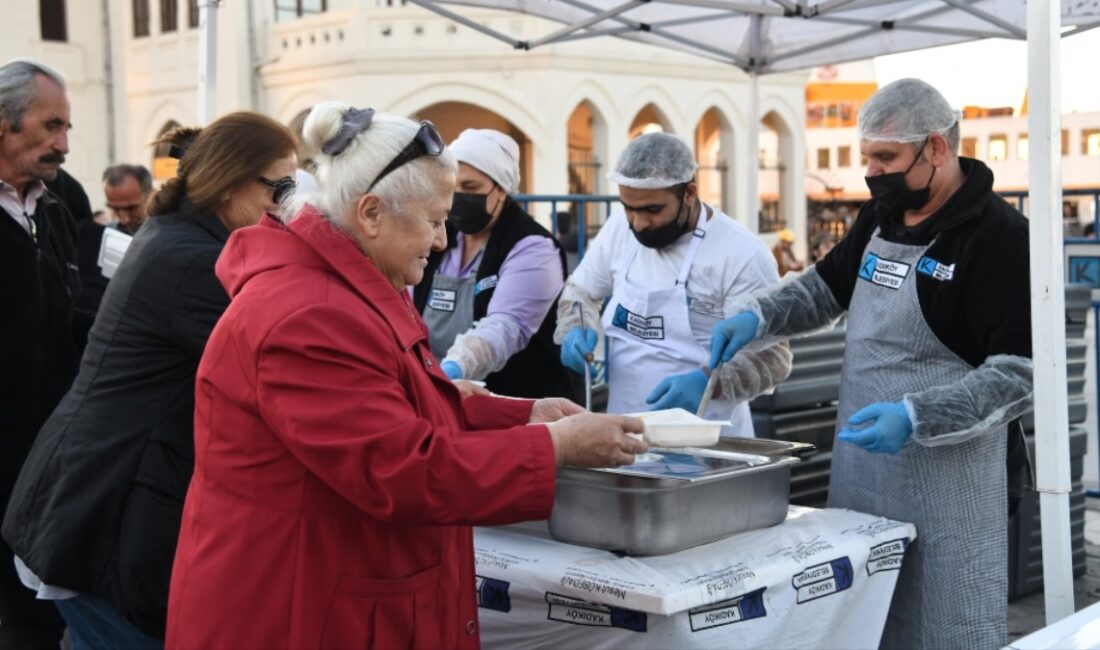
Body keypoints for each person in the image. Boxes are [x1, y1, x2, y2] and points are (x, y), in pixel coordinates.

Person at [164, 103, 646, 649]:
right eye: (434, 220)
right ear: (370, 214)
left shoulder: (353, 286)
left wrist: (523, 414)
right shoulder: (309, 316)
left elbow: (400, 401)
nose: (442, 241)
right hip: (293, 606)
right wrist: (550, 447)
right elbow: (401, 467)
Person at [709, 78, 1032, 648]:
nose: (873, 172)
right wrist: (757, 318)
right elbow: (821, 291)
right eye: (867, 158)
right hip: (864, 469)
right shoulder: (881, 215)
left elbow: (1018, 374)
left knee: (941, 627)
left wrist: (917, 417)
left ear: (935, 148)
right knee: (863, 619)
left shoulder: (999, 238)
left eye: (887, 157)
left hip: (950, 485)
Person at [2, 112, 299, 648]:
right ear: (230, 183)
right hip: (100, 512)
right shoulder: (195, 263)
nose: (288, 203)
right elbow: (286, 366)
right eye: (280, 186)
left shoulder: (182, 239)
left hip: (91, 500)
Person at [556, 132, 791, 435]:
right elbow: (580, 292)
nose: (638, 223)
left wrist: (709, 383)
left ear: (689, 193)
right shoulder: (618, 229)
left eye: (654, 210)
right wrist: (576, 325)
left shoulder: (742, 254)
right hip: (623, 434)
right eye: (629, 208)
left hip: (710, 438)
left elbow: (773, 358)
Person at [0, 58, 79, 650]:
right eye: (51, 126)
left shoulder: (55, 204)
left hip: (48, 451)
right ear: (3, 124)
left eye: (67, 127)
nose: (63, 144)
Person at [413, 128, 574, 399]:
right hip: (443, 394)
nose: (458, 197)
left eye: (471, 188)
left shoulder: (533, 247)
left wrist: (454, 367)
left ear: (500, 190)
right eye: (453, 187)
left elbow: (506, 327)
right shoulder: (441, 238)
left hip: (518, 399)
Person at [74, 164, 154, 316]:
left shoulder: (170, 236)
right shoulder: (104, 236)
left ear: (150, 195)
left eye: (131, 208)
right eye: (115, 209)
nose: (123, 218)